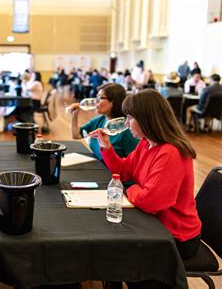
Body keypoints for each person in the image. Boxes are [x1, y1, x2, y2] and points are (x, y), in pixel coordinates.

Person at [91, 90, 201, 289]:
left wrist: (129, 191)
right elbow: (123, 172)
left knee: (116, 250)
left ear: (147, 119)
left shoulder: (170, 153)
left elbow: (151, 202)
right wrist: (105, 146)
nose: (126, 123)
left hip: (175, 236)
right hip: (155, 224)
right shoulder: (146, 144)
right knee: (110, 244)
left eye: (130, 118)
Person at [69, 83, 139, 161]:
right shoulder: (101, 119)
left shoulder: (127, 128)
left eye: (100, 98)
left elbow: (134, 162)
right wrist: (74, 116)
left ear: (113, 102)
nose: (96, 101)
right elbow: (76, 135)